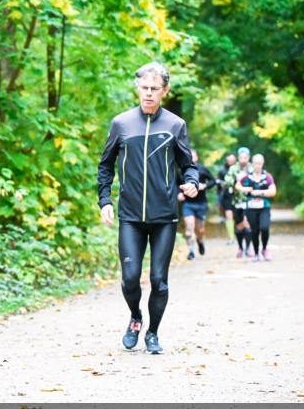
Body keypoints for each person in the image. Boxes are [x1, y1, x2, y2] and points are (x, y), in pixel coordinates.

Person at [97, 62, 199, 355]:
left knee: (159, 280)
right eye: (144, 88)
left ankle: (153, 333)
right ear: (137, 88)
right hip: (130, 216)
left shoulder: (175, 125)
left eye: (155, 89)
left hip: (164, 217)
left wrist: (191, 183)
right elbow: (105, 166)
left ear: (164, 91)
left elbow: (188, 166)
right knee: (130, 279)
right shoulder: (121, 123)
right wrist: (105, 200)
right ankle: (136, 318)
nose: (149, 94)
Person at [234, 153, 277, 261]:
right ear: (252, 164)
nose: (257, 165)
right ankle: (257, 253)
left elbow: (273, 191)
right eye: (255, 163)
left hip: (264, 207)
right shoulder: (247, 176)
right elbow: (237, 185)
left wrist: (261, 192)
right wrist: (244, 189)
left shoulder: (267, 177)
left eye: (260, 163)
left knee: (264, 227)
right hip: (251, 207)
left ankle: (265, 249)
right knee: (254, 231)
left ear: (263, 164)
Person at [177, 148, 216, 260]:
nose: (191, 158)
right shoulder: (181, 170)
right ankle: (191, 251)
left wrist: (205, 186)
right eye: (189, 156)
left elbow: (213, 181)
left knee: (200, 229)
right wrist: (178, 194)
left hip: (201, 203)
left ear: (197, 157)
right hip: (188, 204)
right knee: (189, 227)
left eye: (193, 156)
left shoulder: (202, 169)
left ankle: (200, 240)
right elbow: (176, 184)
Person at [224, 147, 254, 259]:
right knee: (239, 226)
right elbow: (227, 181)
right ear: (238, 157)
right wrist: (237, 179)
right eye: (241, 157)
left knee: (248, 223)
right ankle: (240, 248)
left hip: (250, 200)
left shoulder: (252, 167)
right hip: (237, 201)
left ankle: (248, 248)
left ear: (248, 157)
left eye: (245, 157)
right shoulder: (233, 168)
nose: (243, 160)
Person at [216, 153, 236, 244]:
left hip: (238, 196)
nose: (231, 162)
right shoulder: (222, 170)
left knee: (238, 217)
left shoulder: (239, 170)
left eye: (233, 160)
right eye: (229, 160)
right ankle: (231, 237)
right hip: (226, 196)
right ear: (227, 161)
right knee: (229, 215)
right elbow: (218, 183)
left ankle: (239, 234)